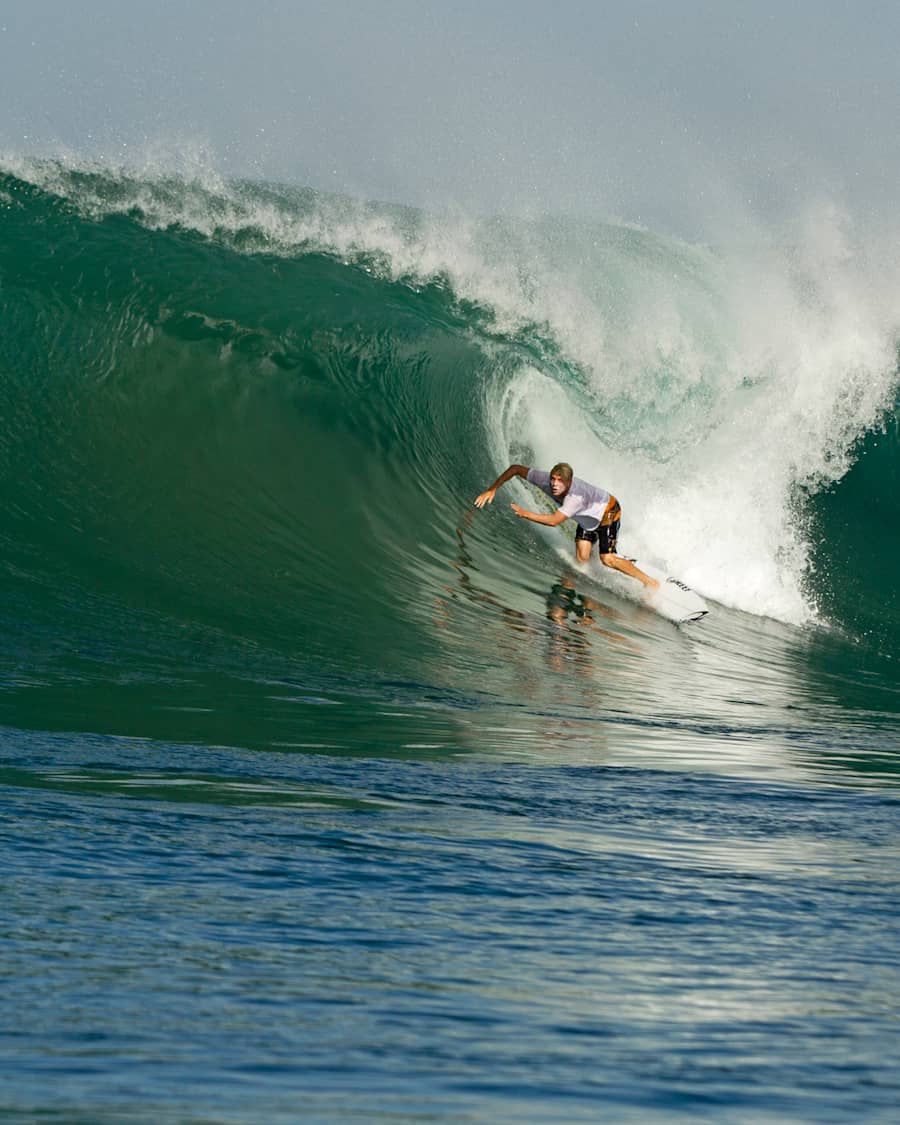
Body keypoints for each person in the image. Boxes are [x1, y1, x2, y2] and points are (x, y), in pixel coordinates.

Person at [474, 462, 659, 590]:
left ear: (569, 482)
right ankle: (605, 549)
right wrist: (492, 489)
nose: (554, 484)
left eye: (560, 481)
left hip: (607, 512)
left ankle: (649, 582)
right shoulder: (544, 479)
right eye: (553, 479)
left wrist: (525, 513)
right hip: (586, 518)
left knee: (607, 559)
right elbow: (515, 469)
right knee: (582, 559)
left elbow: (554, 521)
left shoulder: (574, 498)